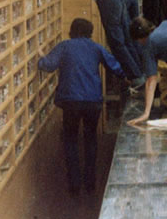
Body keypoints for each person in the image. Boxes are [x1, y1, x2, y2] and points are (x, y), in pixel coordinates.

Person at [36, 18, 124, 195]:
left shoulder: (65, 46)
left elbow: (48, 65)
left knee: (70, 139)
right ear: (90, 31)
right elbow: (116, 68)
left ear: (71, 30)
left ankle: (74, 185)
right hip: (93, 101)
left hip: (70, 101)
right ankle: (90, 183)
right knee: (91, 139)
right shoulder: (96, 47)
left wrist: (40, 57)